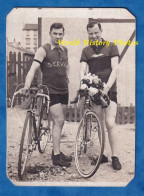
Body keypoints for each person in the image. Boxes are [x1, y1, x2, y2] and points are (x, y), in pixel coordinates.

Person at [20, 23, 72, 167]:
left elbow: (67, 65)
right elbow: (33, 69)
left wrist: (67, 76)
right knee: (59, 120)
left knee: (59, 123)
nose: (58, 36)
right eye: (55, 33)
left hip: (64, 91)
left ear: (63, 34)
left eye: (60, 34)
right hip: (50, 90)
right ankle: (56, 157)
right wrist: (26, 85)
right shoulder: (43, 50)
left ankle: (57, 150)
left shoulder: (64, 49)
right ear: (50, 33)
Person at [80, 21, 121, 170]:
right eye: (91, 33)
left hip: (109, 89)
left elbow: (115, 69)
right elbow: (83, 70)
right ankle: (102, 155)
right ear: (88, 34)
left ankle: (115, 156)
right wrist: (83, 83)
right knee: (99, 122)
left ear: (101, 31)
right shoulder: (86, 50)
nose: (94, 36)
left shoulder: (111, 46)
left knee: (110, 123)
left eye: (96, 32)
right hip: (94, 91)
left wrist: (107, 87)